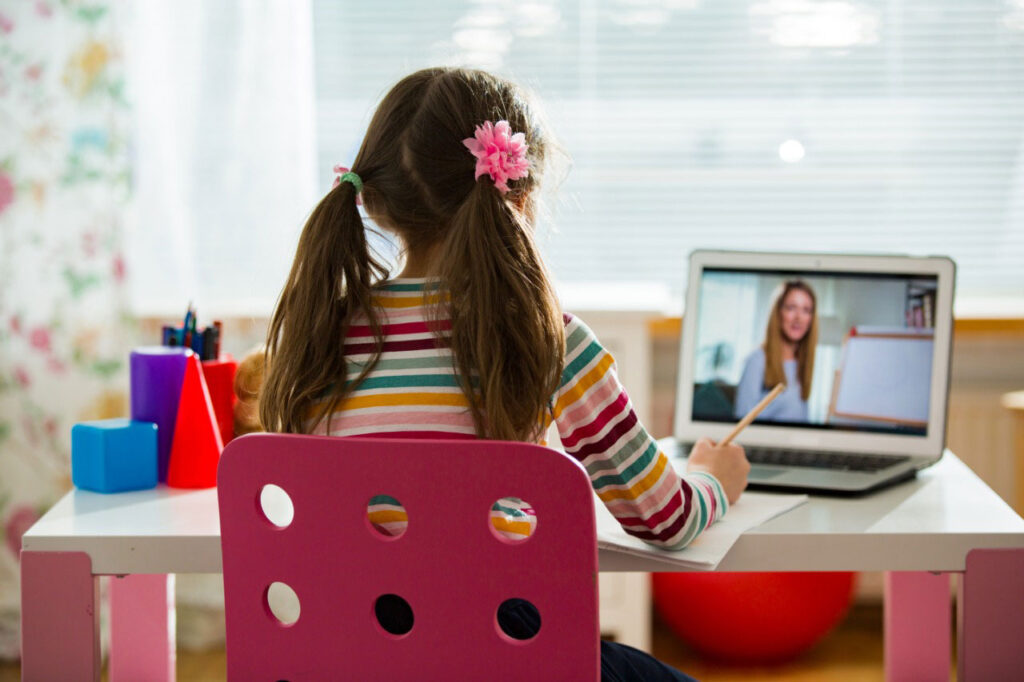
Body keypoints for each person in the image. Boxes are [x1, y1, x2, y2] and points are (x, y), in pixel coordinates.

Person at [257, 67, 749, 682]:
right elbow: (664, 519)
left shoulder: (317, 334)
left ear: (373, 198)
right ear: (520, 191)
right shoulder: (549, 338)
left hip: (346, 655)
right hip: (505, 655)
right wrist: (712, 479)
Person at [735, 280, 818, 423]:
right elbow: (742, 421)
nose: (798, 317)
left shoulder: (802, 363)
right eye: (791, 308)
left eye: (806, 310)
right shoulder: (756, 361)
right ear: (778, 312)